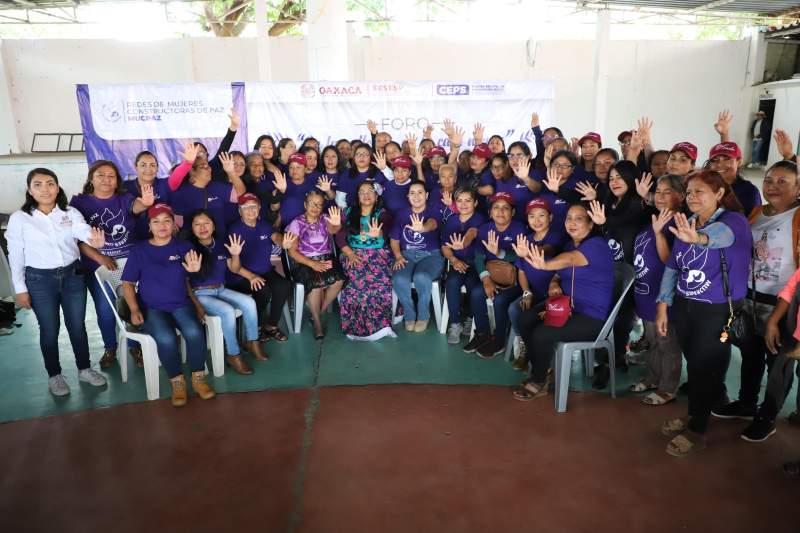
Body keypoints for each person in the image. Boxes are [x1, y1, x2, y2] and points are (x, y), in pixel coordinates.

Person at [656, 170, 751, 457]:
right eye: (689, 192)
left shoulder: (733, 221)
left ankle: (698, 430)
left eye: (700, 191)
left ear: (720, 194)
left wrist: (698, 237)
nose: (692, 196)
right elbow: (673, 267)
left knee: (704, 368)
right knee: (694, 365)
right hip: (686, 306)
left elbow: (719, 237)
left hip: (716, 309)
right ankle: (695, 413)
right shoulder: (688, 222)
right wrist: (663, 304)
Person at [715, 160, 800, 440]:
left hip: (783, 302)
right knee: (750, 354)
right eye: (769, 180)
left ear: (798, 187)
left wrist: (779, 314)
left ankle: (768, 415)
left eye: (782, 181)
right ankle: (747, 403)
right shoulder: (756, 213)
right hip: (750, 297)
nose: (772, 187)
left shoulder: (798, 216)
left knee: (778, 363)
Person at [7, 168, 108, 396]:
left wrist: (94, 238)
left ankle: (84, 368)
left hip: (73, 277)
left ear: (57, 187)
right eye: (38, 184)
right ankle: (55, 376)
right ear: (29, 190)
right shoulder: (20, 219)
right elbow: (15, 256)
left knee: (77, 326)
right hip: (40, 281)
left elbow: (82, 230)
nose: (45, 189)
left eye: (50, 183)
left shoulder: (69, 212)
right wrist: (20, 289)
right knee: (49, 330)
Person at [512, 203, 614, 400]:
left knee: (543, 333)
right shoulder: (570, 243)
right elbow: (561, 271)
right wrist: (553, 282)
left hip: (590, 316)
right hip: (566, 305)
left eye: (579, 219)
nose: (572, 223)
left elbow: (569, 260)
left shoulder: (596, 245)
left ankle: (539, 381)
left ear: (591, 224)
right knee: (525, 319)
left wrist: (545, 264)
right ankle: (544, 368)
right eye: (569, 218)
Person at [121, 203, 215, 407]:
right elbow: (127, 283)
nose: (161, 225)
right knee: (166, 338)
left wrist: (194, 272)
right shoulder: (140, 250)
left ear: (174, 225)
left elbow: (190, 280)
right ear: (149, 226)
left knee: (194, 332)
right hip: (151, 306)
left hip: (181, 303)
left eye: (167, 221)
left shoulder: (184, 247)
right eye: (156, 221)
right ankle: (177, 382)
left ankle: (198, 378)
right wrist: (135, 309)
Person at [70, 159, 154, 369]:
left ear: (117, 181)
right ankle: (111, 347)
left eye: (111, 176)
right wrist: (102, 258)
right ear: (91, 179)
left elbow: (136, 207)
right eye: (101, 175)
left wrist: (146, 202)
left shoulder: (125, 199)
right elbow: (79, 241)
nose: (106, 180)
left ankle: (134, 346)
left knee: (130, 306)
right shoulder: (79, 203)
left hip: (130, 264)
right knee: (106, 310)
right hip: (97, 267)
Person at [185, 210, 268, 375]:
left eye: (206, 223)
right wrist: (195, 304)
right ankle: (233, 354)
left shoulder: (220, 243)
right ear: (192, 228)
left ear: (213, 225)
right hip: (200, 294)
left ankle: (253, 342)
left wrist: (236, 255)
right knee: (228, 311)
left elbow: (234, 268)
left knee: (249, 302)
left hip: (220, 289)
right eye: (197, 224)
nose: (202, 228)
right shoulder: (187, 247)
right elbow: (184, 281)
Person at [629, 174, 686, 405]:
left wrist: (659, 233)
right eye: (658, 192)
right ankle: (653, 377)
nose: (661, 197)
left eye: (668, 192)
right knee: (652, 340)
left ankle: (668, 388)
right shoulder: (654, 217)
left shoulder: (677, 223)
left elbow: (669, 261)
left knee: (668, 343)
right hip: (644, 293)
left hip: (662, 296)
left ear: (681, 196)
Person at [463, 192, 526, 358]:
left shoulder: (520, 228)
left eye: (506, 208)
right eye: (496, 207)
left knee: (499, 300)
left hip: (515, 278)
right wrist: (485, 280)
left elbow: (521, 255)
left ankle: (499, 340)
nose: (500, 211)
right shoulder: (485, 229)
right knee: (476, 293)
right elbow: (478, 257)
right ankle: (482, 334)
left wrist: (500, 252)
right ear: (490, 212)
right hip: (491, 275)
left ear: (512, 212)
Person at [226, 193, 292, 342]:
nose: (250, 210)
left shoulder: (264, 225)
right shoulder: (234, 229)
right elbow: (231, 265)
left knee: (283, 286)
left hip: (264, 271)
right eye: (246, 207)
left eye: (253, 206)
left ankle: (271, 325)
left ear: (259, 208)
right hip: (241, 275)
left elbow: (276, 237)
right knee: (262, 290)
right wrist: (251, 276)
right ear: (239, 210)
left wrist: (284, 242)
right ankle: (256, 327)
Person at [335, 181, 395, 340]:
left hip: (378, 255)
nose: (366, 195)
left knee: (379, 282)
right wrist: (350, 254)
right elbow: (340, 237)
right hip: (352, 254)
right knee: (356, 283)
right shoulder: (348, 212)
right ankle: (354, 329)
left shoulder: (383, 213)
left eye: (370, 191)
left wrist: (380, 233)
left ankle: (381, 328)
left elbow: (387, 227)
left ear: (376, 196)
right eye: (362, 192)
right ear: (358, 196)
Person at [507, 198, 563, 367]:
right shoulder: (526, 239)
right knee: (514, 308)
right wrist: (526, 292)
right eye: (532, 216)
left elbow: (548, 248)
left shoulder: (556, 235)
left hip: (555, 293)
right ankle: (524, 346)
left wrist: (531, 252)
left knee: (536, 318)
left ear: (550, 217)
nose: (537, 220)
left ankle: (542, 354)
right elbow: (521, 271)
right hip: (536, 292)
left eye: (541, 215)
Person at [285, 193, 345, 339]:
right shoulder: (296, 223)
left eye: (319, 204)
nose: (315, 207)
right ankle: (317, 323)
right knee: (316, 283)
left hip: (325, 258)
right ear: (305, 205)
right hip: (304, 262)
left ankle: (320, 311)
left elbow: (333, 230)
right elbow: (292, 252)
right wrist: (312, 263)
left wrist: (337, 224)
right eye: (312, 203)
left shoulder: (325, 218)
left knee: (339, 280)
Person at [390, 182, 445, 332]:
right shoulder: (402, 214)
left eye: (420, 192)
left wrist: (423, 228)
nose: (416, 196)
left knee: (421, 276)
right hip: (407, 255)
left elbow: (432, 224)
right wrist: (398, 256)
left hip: (430, 255)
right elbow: (394, 239)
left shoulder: (434, 211)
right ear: (408, 196)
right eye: (412, 193)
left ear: (426, 195)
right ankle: (409, 314)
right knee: (399, 279)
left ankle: (423, 316)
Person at [168, 142, 246, 236]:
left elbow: (241, 193)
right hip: (193, 244)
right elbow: (178, 225)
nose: (208, 168)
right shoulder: (182, 193)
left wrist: (231, 172)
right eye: (202, 166)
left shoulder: (218, 187)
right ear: (191, 173)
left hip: (219, 241)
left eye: (208, 166)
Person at [441, 187, 487, 344]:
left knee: (472, 284)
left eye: (468, 200)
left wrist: (463, 243)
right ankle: (455, 324)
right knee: (452, 282)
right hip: (458, 262)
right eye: (459, 200)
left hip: (477, 263)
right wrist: (454, 260)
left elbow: (472, 232)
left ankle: (469, 317)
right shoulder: (452, 220)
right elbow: (445, 246)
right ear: (455, 203)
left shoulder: (480, 218)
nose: (464, 204)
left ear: (475, 202)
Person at [707, 142, 762, 217]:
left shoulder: (749, 191)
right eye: (714, 160)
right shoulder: (705, 187)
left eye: (726, 159)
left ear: (739, 161)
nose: (719, 164)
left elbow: (751, 223)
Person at [126, 150, 171, 240]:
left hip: (162, 237)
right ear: (136, 167)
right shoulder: (125, 187)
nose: (148, 169)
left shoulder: (165, 184)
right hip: (133, 238)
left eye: (152, 165)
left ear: (157, 168)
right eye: (143, 165)